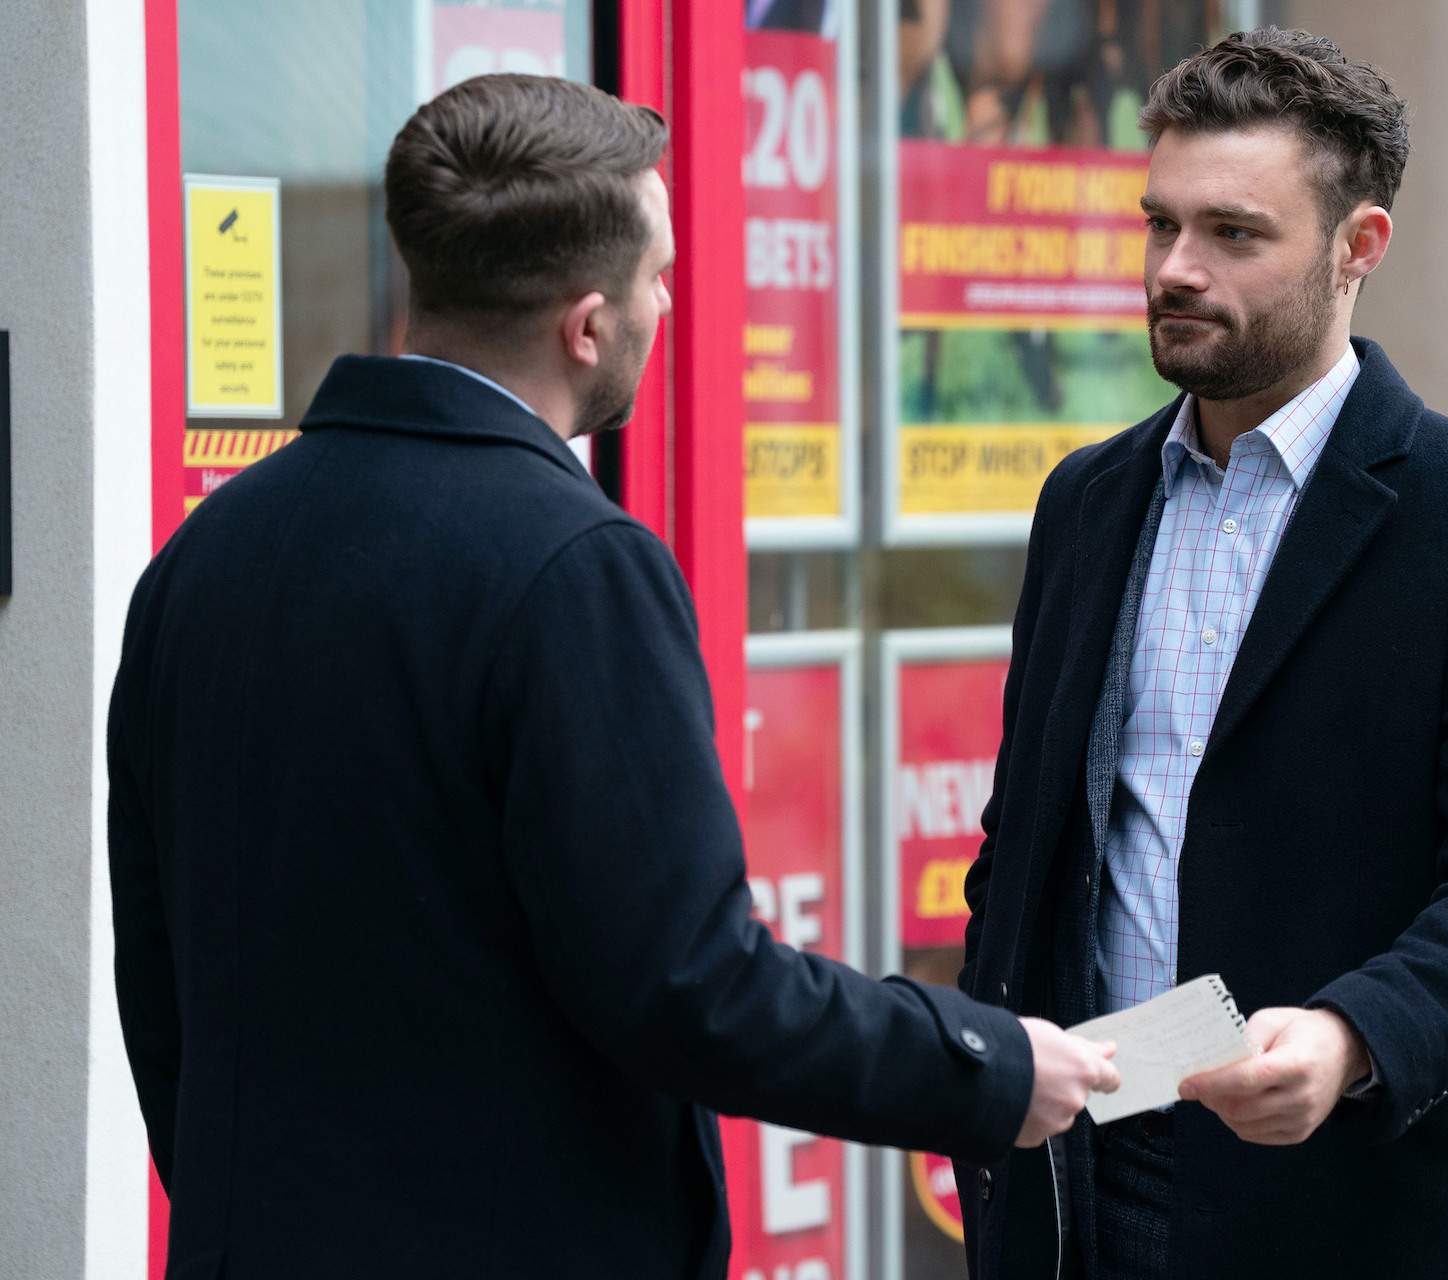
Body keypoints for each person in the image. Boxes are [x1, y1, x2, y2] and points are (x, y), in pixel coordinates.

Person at [107, 74, 1117, 1280]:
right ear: (587, 325)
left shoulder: (206, 553)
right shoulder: (576, 565)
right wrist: (991, 1065)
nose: (670, 299)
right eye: (660, 276)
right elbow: (691, 983)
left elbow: (157, 975)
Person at [954, 28, 1448, 1280]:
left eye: (1234, 234)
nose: (1176, 269)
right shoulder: (1086, 502)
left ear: (1358, 246)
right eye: (1161, 226)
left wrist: (1355, 1032)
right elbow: (1030, 834)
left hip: (1348, 1197)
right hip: (1079, 1182)